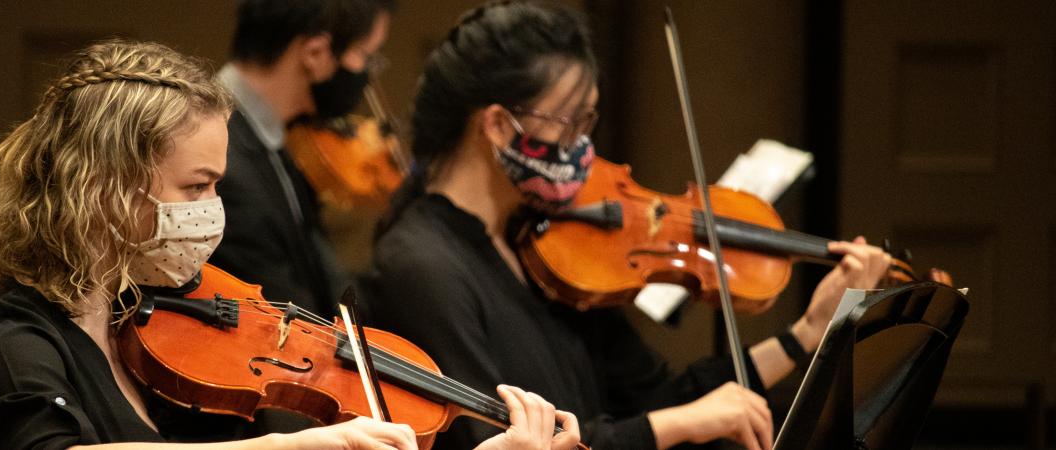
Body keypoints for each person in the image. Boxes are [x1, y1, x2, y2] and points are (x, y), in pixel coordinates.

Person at [0, 39, 581, 450]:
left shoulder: (162, 325)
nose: (212, 212)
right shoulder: (10, 344)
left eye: (218, 185)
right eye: (197, 186)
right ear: (103, 188)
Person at [366, 2, 893, 450]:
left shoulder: (546, 247)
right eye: (571, 123)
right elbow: (493, 439)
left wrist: (806, 334)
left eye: (589, 123)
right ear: (501, 126)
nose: (583, 147)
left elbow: (662, 399)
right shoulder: (421, 264)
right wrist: (677, 425)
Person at [209, 0, 394, 315]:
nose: (365, 74)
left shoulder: (274, 138)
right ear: (315, 53)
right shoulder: (221, 160)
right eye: (364, 56)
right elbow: (290, 311)